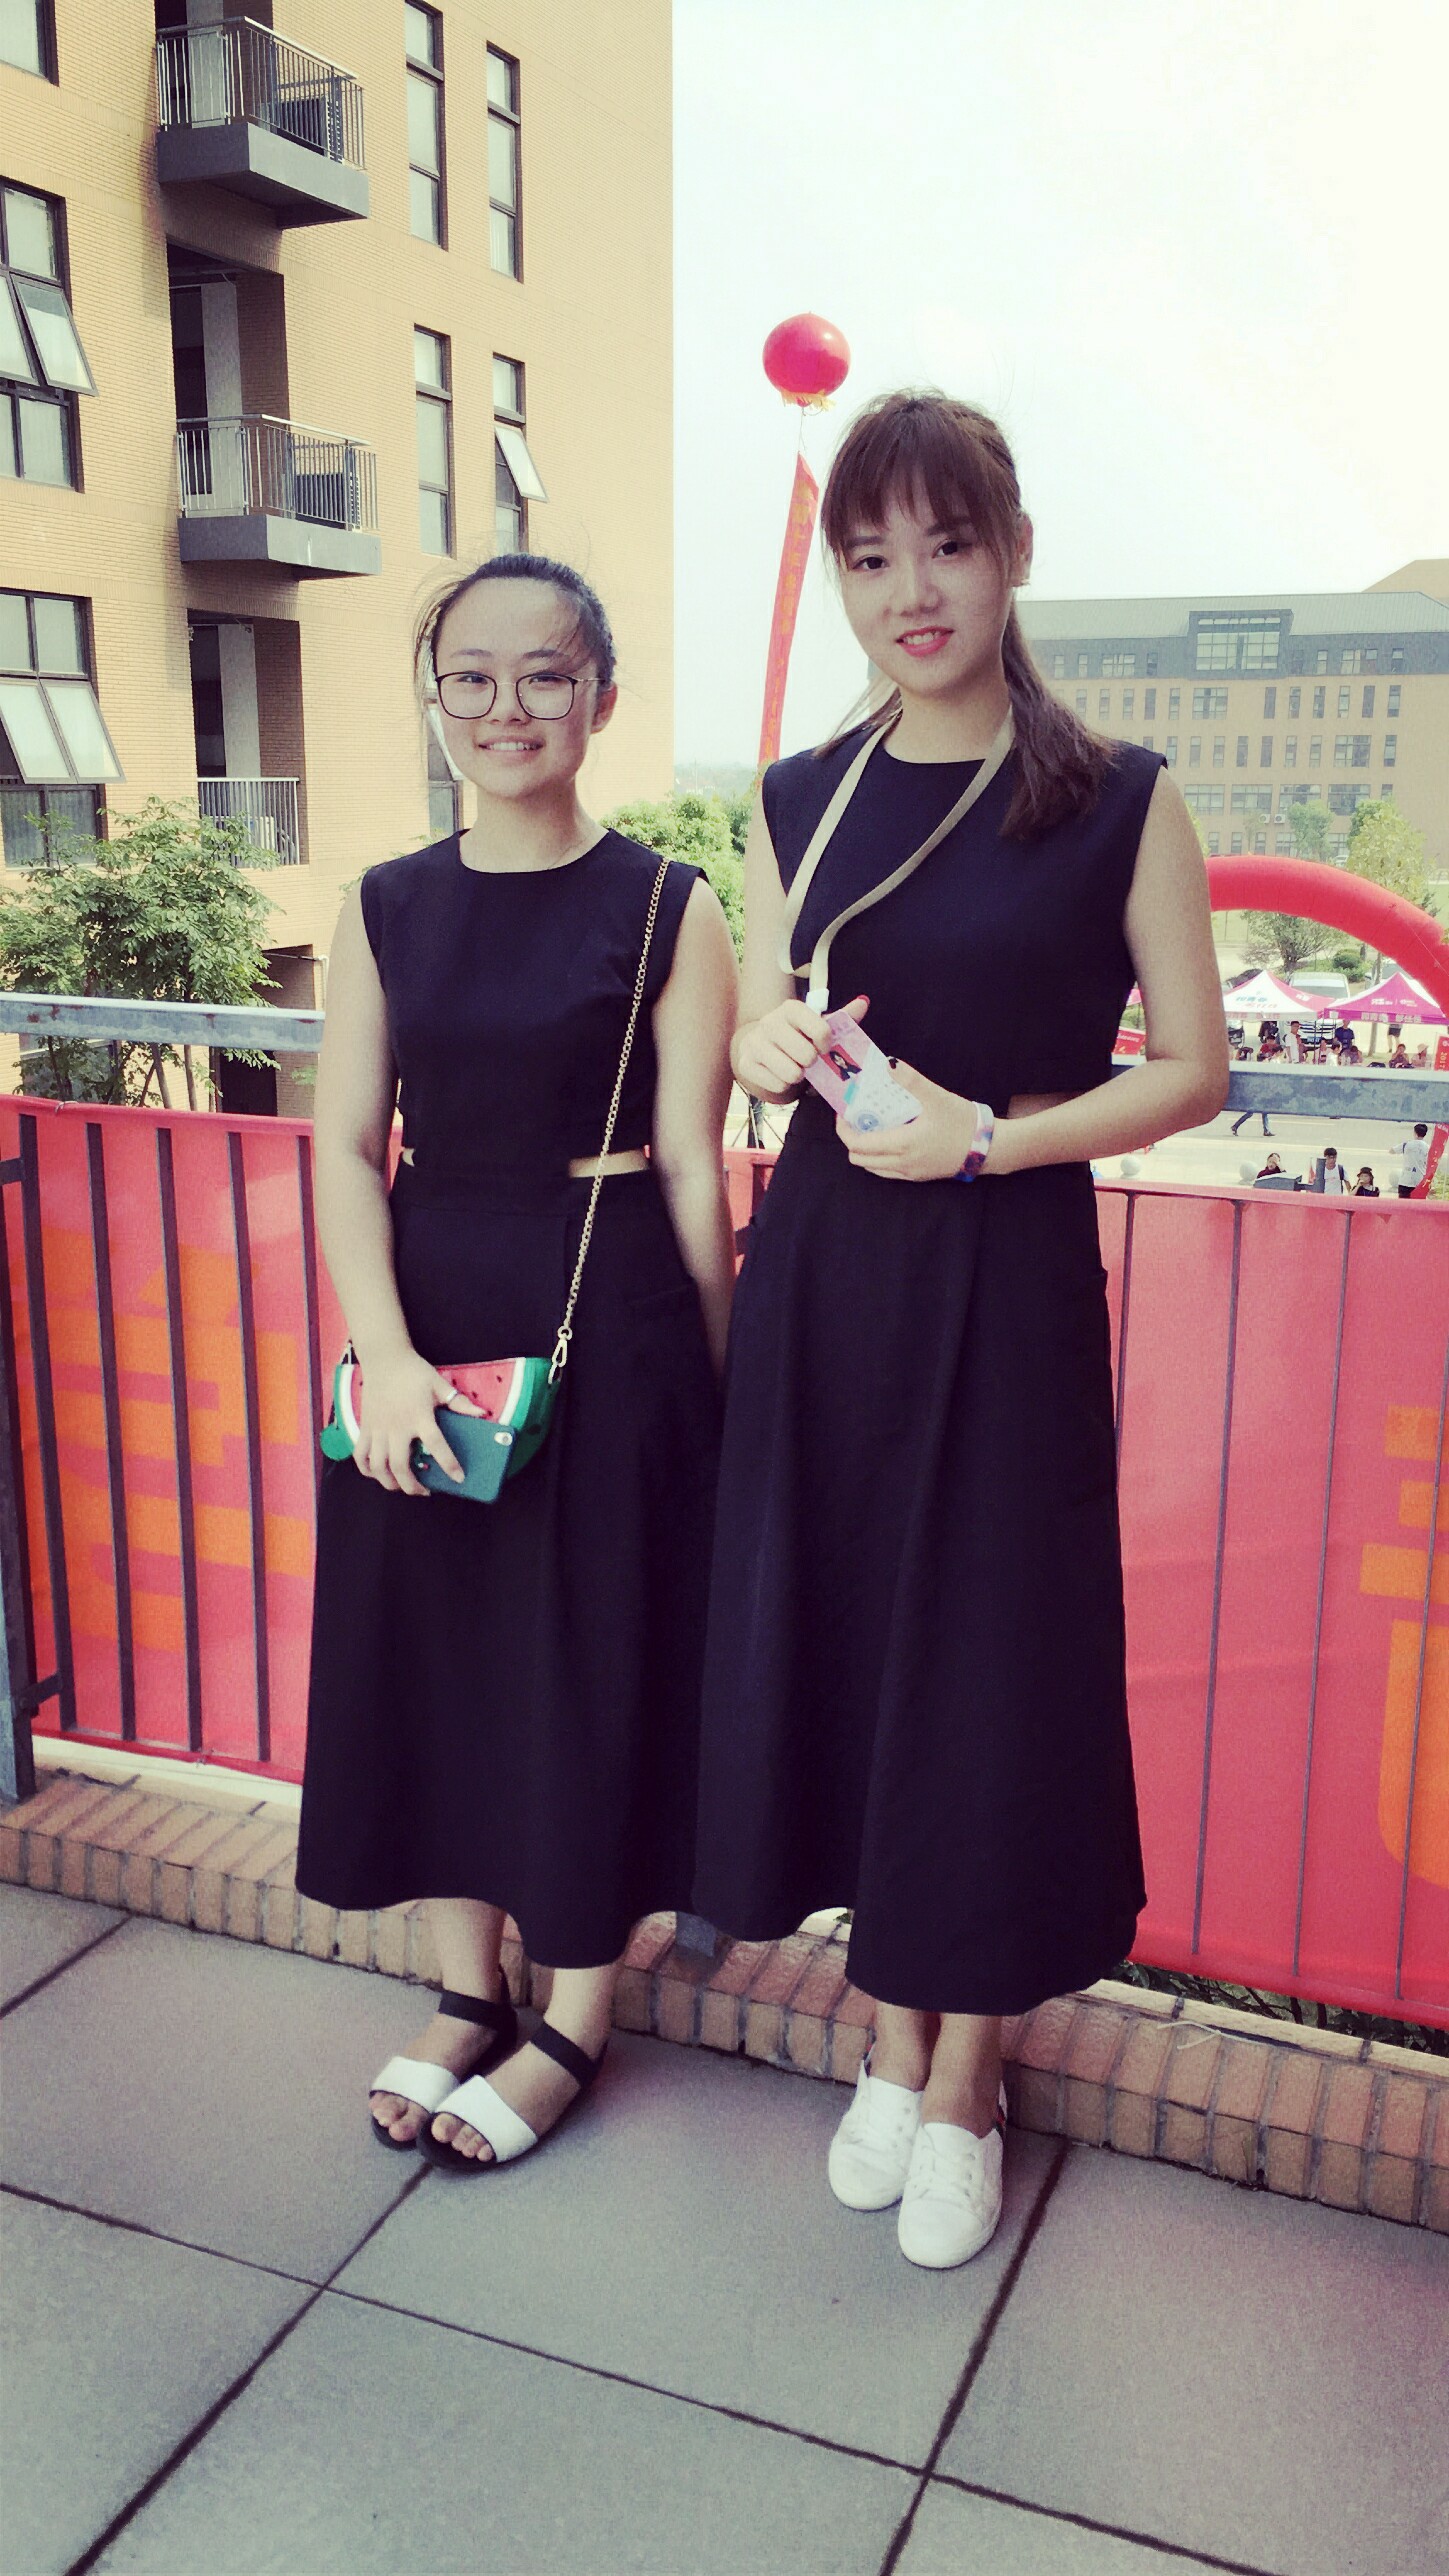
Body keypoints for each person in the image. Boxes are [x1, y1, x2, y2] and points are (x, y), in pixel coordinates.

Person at [694, 391, 1227, 2271]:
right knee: (850, 1644)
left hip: (1003, 1279)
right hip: (829, 1275)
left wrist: (990, 1136)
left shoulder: (1116, 797)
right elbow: (766, 1012)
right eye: (869, 556)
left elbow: (1192, 1068)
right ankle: (889, 2028)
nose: (908, 590)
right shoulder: (799, 795)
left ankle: (965, 2080)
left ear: (1013, 554)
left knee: (988, 1670)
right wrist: (762, 1041)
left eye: (944, 545)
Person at [296, 554, 737, 2171]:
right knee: (435, 1653)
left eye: (543, 674)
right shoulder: (383, 905)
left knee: (583, 1664)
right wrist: (383, 1353)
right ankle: (463, 1991)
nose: (505, 707)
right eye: (468, 676)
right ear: (436, 699)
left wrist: (715, 1388)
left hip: (608, 1321)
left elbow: (690, 1163)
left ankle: (574, 2012)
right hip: (422, 1320)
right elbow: (346, 1147)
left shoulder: (671, 905)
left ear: (598, 699)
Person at [1398, 1123, 1431, 1198]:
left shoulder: (1407, 1144)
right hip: (1420, 1181)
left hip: (1405, 1180)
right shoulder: (1428, 1147)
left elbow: (1392, 1150)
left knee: (1403, 1202)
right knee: (1417, 1203)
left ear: (1415, 1133)